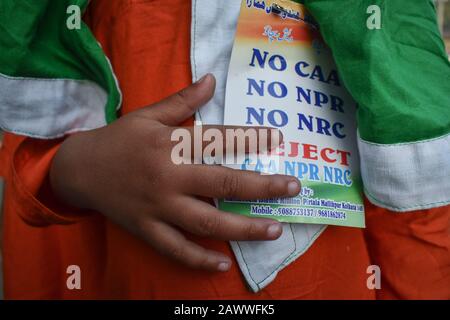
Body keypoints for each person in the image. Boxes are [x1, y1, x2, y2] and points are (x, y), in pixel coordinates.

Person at [0, 0, 448, 299]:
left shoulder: (378, 21)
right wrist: (80, 170)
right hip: (107, 264)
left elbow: (417, 175)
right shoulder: (65, 19)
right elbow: (28, 136)